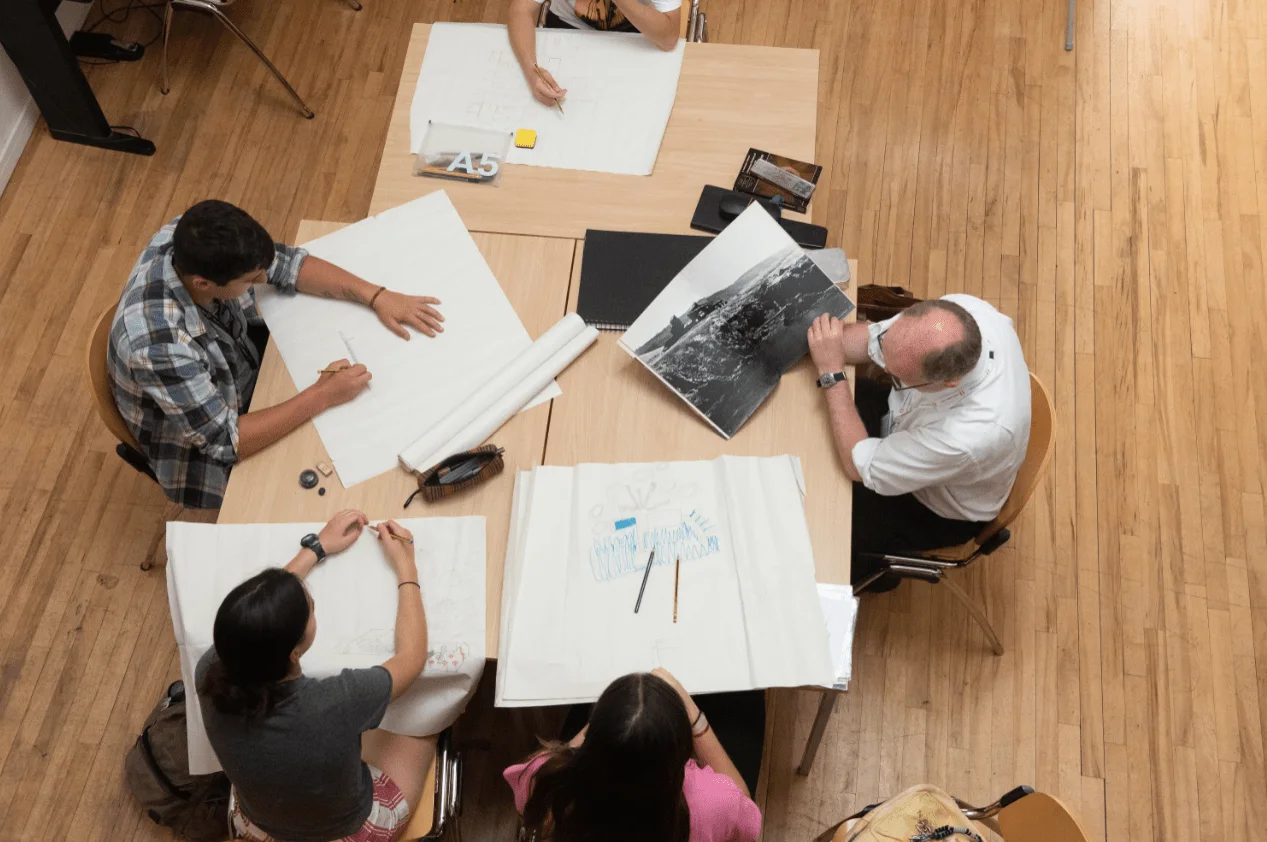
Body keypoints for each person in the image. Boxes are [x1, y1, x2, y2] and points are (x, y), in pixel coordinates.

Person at [108, 200, 446, 509]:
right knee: (334, 496)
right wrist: (323, 395)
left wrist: (376, 295)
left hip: (240, 366)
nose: (263, 279)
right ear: (203, 284)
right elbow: (226, 441)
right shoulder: (159, 348)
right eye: (253, 279)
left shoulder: (189, 236)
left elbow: (286, 265)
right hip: (205, 447)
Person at [197, 510, 433, 842]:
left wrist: (315, 548)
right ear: (294, 652)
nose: (311, 605)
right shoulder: (335, 702)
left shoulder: (211, 667)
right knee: (424, 718)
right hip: (344, 831)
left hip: (258, 824)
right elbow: (412, 657)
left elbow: (261, 614)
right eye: (310, 608)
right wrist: (407, 568)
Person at [806, 294, 1031, 591]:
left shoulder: (968, 436)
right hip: (905, 421)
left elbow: (859, 465)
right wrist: (821, 345)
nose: (882, 366)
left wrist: (832, 374)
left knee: (824, 528)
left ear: (948, 382)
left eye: (896, 376)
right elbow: (869, 341)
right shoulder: (955, 315)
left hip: (935, 506)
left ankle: (875, 577)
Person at [504, 668, 762, 842]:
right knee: (746, 696)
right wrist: (693, 714)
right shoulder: (711, 804)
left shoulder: (547, 779)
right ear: (681, 754)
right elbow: (745, 810)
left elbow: (549, 770)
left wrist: (617, 719)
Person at [507, 0, 681, 107]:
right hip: (567, 30)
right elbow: (521, 10)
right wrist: (532, 70)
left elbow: (668, 38)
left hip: (636, 33)